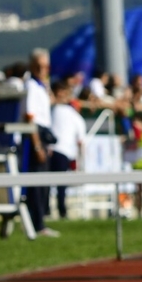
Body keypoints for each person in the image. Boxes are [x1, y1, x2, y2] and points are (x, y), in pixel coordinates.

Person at [23, 48, 58, 237]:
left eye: (45, 66)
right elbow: (30, 117)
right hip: (36, 134)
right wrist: (37, 145)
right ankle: (36, 224)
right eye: (39, 66)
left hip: (44, 134)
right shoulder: (31, 86)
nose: (42, 69)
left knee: (43, 183)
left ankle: (40, 222)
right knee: (36, 184)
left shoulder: (41, 86)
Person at [49, 77, 86, 220]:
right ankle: (59, 211)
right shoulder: (57, 109)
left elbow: (80, 140)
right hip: (59, 151)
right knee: (57, 185)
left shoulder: (68, 113)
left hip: (58, 151)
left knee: (55, 185)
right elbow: (81, 141)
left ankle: (58, 211)